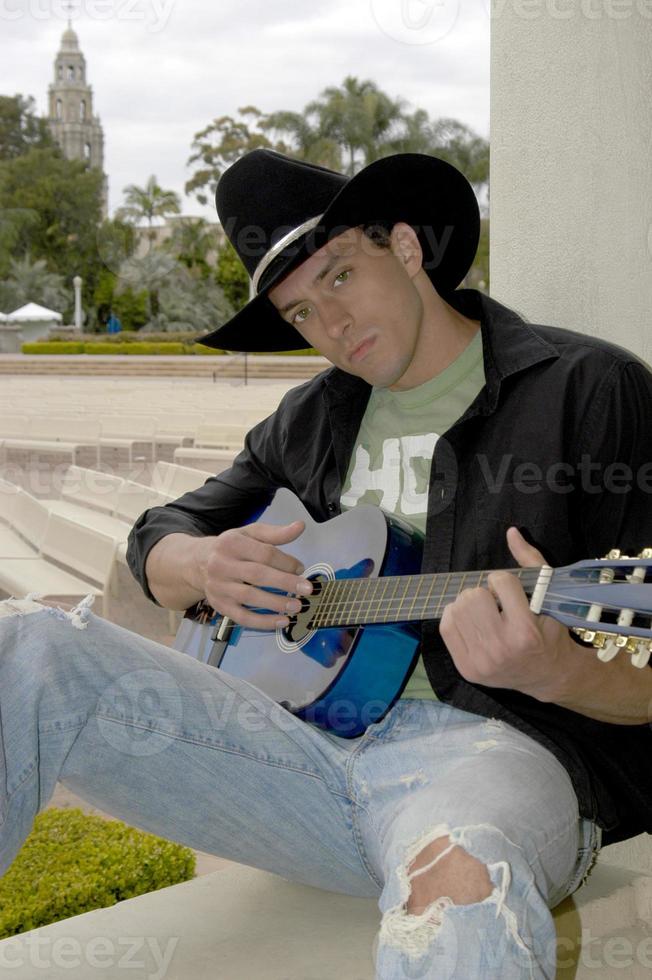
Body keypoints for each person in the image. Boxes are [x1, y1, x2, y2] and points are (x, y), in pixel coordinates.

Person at [1, 150, 651, 979]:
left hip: (489, 764)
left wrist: (560, 674)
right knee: (30, 649)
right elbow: (160, 533)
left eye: (340, 276)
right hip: (287, 759)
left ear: (408, 248)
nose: (330, 326)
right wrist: (202, 565)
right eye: (302, 312)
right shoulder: (311, 417)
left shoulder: (588, 390)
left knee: (459, 880)